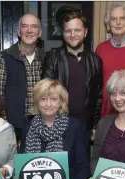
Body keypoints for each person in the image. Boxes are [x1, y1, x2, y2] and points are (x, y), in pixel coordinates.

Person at [42, 11, 103, 151]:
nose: (72, 34)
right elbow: (45, 93)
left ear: (85, 32)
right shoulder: (52, 57)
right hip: (56, 127)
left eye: (77, 30)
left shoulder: (96, 61)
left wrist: (94, 125)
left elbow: (98, 96)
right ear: (63, 33)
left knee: (81, 170)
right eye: (68, 31)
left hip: (84, 128)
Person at [22, 78, 90, 179]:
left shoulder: (75, 127)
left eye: (54, 99)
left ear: (61, 102)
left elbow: (83, 168)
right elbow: (23, 166)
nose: (48, 104)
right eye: (43, 99)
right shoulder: (28, 128)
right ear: (37, 102)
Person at [0, 13, 45, 143]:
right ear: (19, 31)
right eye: (25, 26)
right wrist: (3, 123)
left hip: (41, 124)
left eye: (33, 27)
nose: (29, 30)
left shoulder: (47, 58)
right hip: (12, 126)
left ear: (39, 32)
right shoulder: (5, 57)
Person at [95, 4, 125, 118]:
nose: (118, 22)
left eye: (122, 18)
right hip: (107, 112)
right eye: (113, 19)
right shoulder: (101, 49)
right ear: (108, 25)